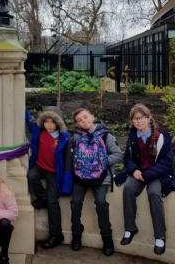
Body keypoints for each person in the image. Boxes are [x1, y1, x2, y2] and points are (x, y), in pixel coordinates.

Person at [116, 104, 175, 255]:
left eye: (142, 117)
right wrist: (134, 170)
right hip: (138, 173)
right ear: (132, 121)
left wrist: (147, 175)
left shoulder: (162, 138)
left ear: (148, 119)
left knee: (153, 193)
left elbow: (167, 163)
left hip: (155, 175)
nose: (139, 121)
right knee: (128, 188)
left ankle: (159, 236)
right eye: (135, 118)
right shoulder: (132, 136)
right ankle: (130, 228)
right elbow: (127, 158)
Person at [70, 108, 122, 256]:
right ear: (77, 124)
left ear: (92, 117)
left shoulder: (106, 135)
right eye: (79, 120)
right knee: (75, 202)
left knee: (100, 203)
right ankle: (76, 235)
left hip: (101, 176)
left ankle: (107, 239)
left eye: (85, 117)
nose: (83, 121)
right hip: (81, 177)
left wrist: (99, 162)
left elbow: (118, 155)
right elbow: (69, 156)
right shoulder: (76, 137)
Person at [25, 106, 73, 249]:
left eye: (52, 122)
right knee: (31, 175)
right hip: (40, 166)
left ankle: (56, 234)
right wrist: (22, 108)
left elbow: (68, 161)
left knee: (53, 202)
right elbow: (29, 119)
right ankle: (43, 198)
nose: (49, 125)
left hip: (54, 172)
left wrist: (67, 180)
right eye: (46, 121)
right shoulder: (39, 131)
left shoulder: (64, 137)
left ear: (58, 123)